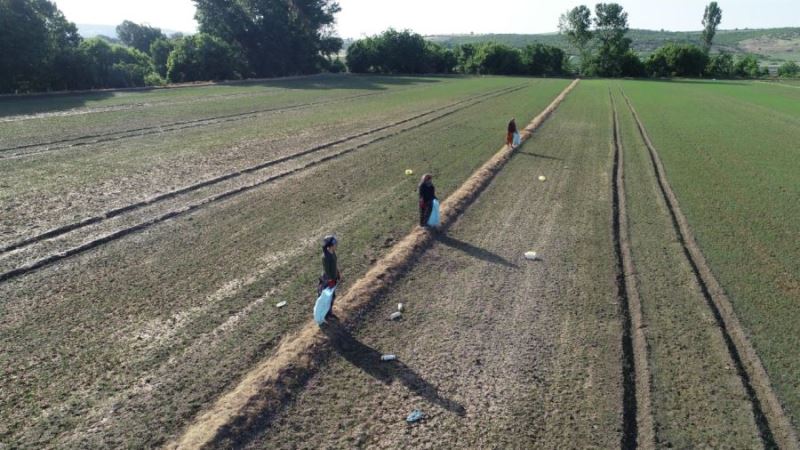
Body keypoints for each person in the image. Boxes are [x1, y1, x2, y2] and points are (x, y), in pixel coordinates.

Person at [318, 235, 341, 319]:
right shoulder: (325, 257)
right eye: (335, 244)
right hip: (327, 280)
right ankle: (325, 314)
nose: (336, 245)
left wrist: (337, 272)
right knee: (327, 297)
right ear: (330, 245)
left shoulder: (333, 252)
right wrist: (331, 280)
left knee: (332, 296)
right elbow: (327, 271)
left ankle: (329, 312)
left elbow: (334, 264)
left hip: (333, 278)